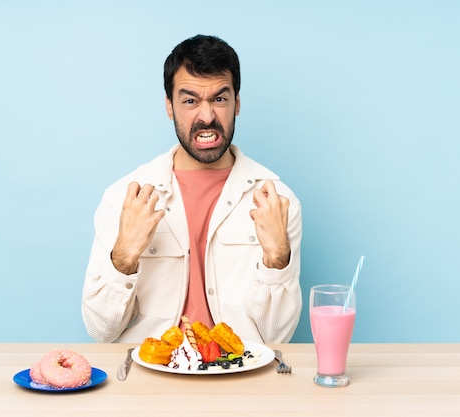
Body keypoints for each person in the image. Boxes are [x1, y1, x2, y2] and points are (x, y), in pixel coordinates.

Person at [82, 34, 302, 345]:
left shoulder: (278, 202)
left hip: (240, 379)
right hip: (150, 380)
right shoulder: (123, 199)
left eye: (220, 99)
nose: (207, 116)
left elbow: (276, 338)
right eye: (189, 101)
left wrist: (278, 258)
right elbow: (100, 332)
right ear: (169, 106)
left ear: (237, 103)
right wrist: (124, 256)